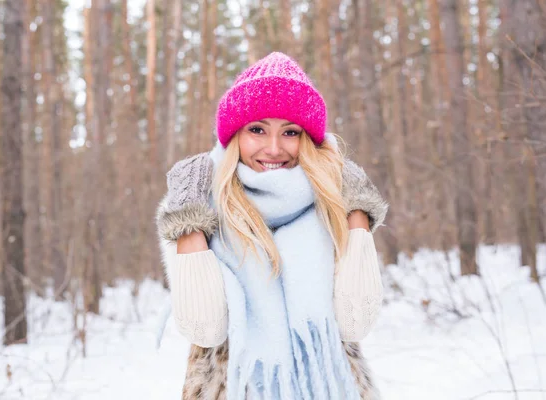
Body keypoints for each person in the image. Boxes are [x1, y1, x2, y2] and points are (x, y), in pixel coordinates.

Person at [156, 52, 388, 400]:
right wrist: (189, 217)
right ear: (234, 134)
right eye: (257, 129)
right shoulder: (199, 206)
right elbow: (204, 328)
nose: (274, 148)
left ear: (308, 139)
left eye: (290, 132)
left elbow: (356, 322)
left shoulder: (335, 204)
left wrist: (356, 211)